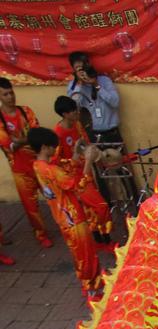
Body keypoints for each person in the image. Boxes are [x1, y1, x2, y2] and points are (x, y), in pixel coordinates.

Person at [27, 127, 103, 299]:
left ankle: (93, 281)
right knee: (86, 253)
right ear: (45, 147)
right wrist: (88, 162)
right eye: (53, 147)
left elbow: (66, 167)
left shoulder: (39, 166)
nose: (55, 150)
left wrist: (76, 155)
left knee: (80, 252)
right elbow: (76, 185)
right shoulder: (51, 170)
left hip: (63, 217)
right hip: (72, 217)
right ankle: (91, 289)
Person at [53, 96, 113, 250]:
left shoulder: (77, 125)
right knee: (101, 206)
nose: (76, 113)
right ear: (65, 114)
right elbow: (57, 162)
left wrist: (96, 156)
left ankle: (101, 239)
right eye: (73, 111)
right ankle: (104, 237)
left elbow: (86, 144)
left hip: (86, 172)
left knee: (92, 209)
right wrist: (75, 157)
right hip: (75, 179)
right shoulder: (58, 134)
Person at [0, 78, 53, 251]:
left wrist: (20, 141)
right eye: (5, 94)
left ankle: (65, 222)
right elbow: (9, 145)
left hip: (39, 164)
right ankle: (41, 234)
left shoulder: (26, 111)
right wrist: (26, 140)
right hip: (20, 170)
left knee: (54, 195)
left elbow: (36, 135)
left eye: (11, 93)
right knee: (31, 206)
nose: (10, 97)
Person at [67, 54, 123, 145]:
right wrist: (79, 85)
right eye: (78, 68)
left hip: (112, 133)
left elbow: (115, 102)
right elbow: (73, 108)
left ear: (89, 65)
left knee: (117, 158)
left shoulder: (104, 81)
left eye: (83, 67)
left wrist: (96, 84)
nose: (82, 71)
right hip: (90, 135)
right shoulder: (74, 86)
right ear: (73, 70)